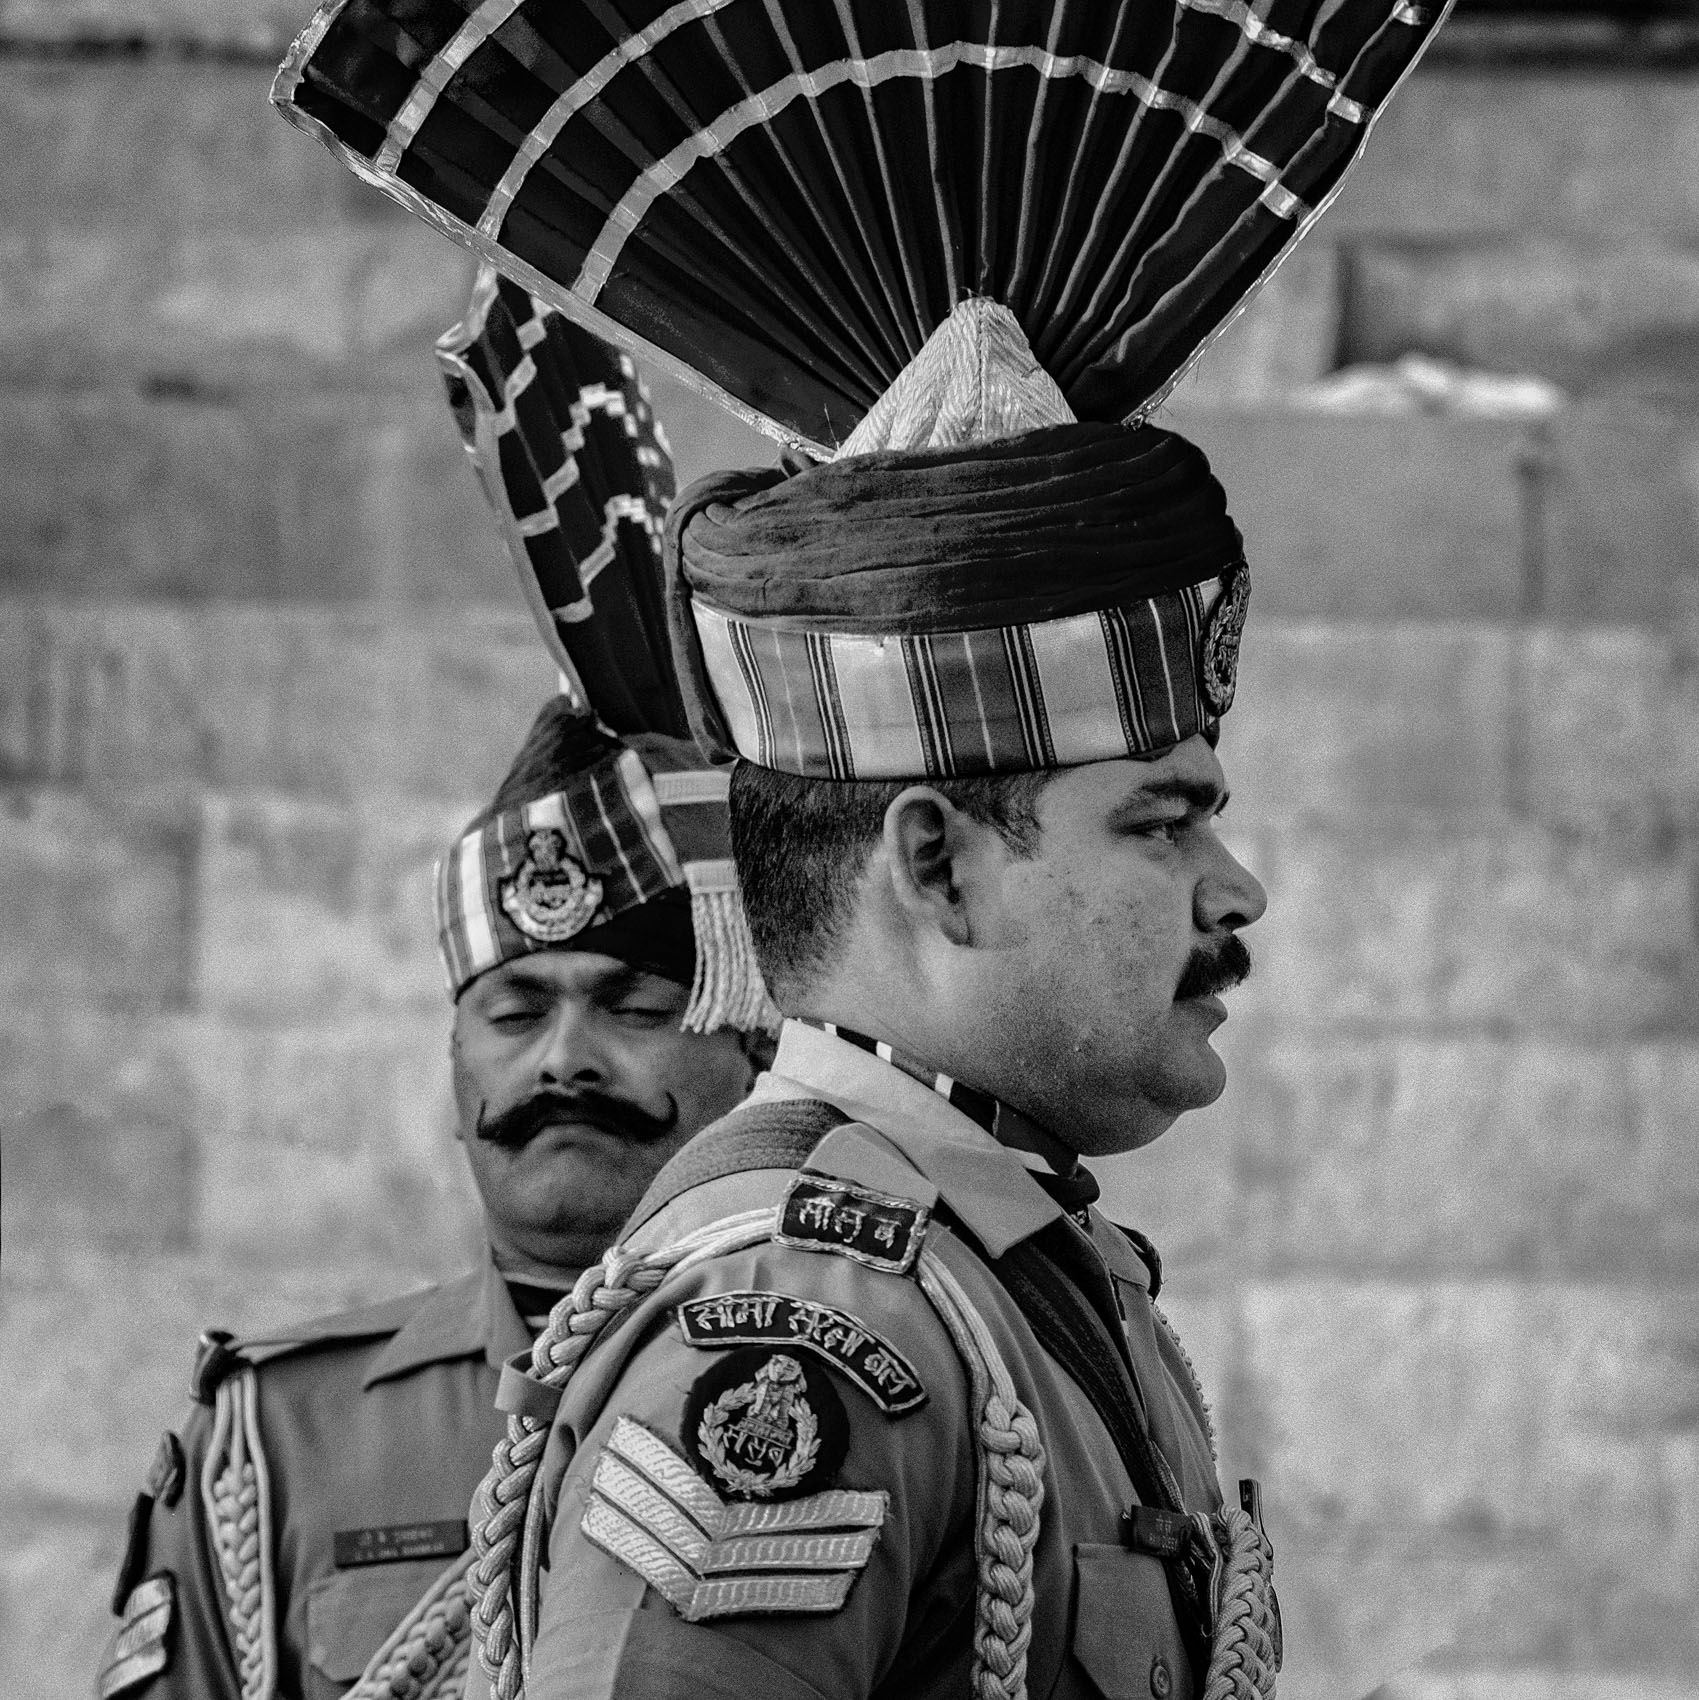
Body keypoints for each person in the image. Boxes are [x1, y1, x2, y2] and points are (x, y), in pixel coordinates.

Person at [269, 3, 1452, 1694]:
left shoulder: (1016, 1273)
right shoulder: (805, 1331)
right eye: (1162, 820)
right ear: (936, 860)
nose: (1232, 889)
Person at [96, 280, 779, 1700]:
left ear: (753, 1042)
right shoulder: (281, 1436)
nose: (564, 1060)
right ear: (457, 1055)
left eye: (635, 1005)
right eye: (515, 1011)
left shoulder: (862, 1382)